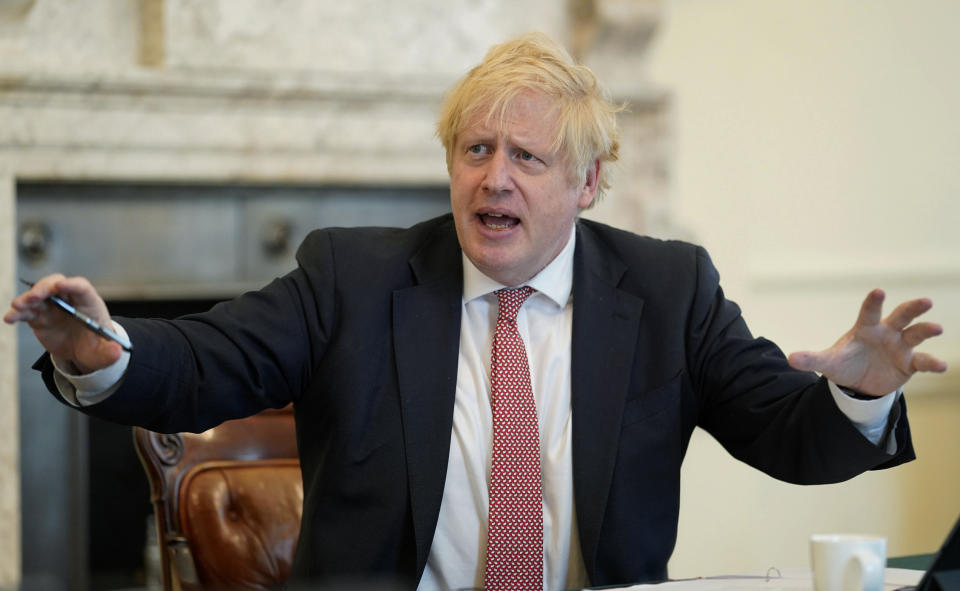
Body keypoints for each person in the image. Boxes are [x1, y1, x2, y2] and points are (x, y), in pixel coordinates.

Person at [4, 32, 947, 591]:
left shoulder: (669, 290)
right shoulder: (355, 276)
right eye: (475, 148)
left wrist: (857, 397)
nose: (493, 178)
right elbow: (209, 359)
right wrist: (102, 346)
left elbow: (784, 435)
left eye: (527, 158)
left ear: (589, 182)